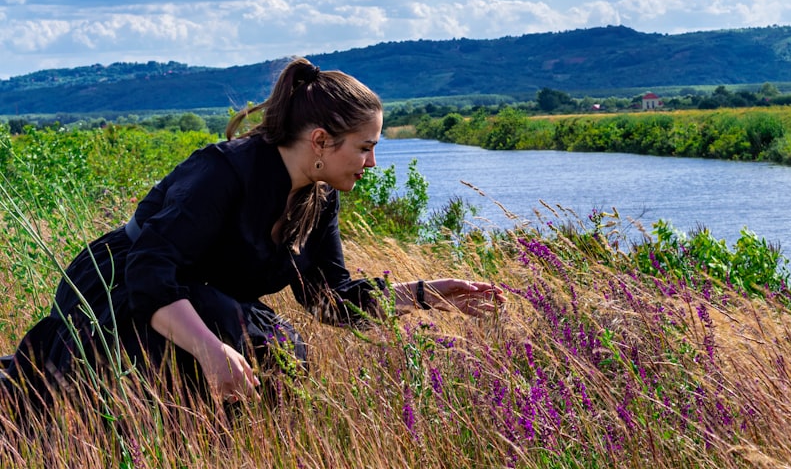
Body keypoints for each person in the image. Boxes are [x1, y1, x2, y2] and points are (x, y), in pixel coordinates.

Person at [0, 57, 503, 417]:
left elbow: (331, 300)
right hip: (123, 285)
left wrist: (425, 294)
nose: (372, 162)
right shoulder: (224, 171)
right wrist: (209, 349)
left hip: (201, 298)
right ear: (320, 141)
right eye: (366, 147)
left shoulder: (318, 198)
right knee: (76, 404)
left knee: (273, 351)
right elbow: (150, 270)